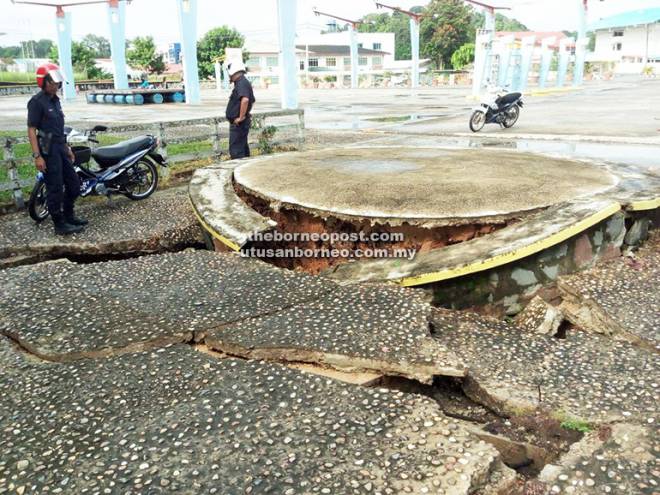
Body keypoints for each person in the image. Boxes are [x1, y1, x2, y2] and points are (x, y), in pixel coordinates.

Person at [27, 63, 86, 235]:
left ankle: (69, 215)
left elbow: (58, 128)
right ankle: (59, 224)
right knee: (55, 187)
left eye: (58, 82)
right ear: (43, 82)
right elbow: (32, 129)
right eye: (53, 82)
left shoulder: (56, 100)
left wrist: (67, 148)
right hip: (47, 147)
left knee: (74, 184)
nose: (56, 85)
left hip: (60, 145)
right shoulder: (37, 102)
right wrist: (37, 156)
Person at [225, 61, 255, 159]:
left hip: (239, 124)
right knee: (242, 149)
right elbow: (250, 101)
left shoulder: (241, 83)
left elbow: (245, 100)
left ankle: (237, 172)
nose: (229, 76)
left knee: (236, 152)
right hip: (240, 123)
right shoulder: (241, 82)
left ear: (234, 72)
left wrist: (241, 117)